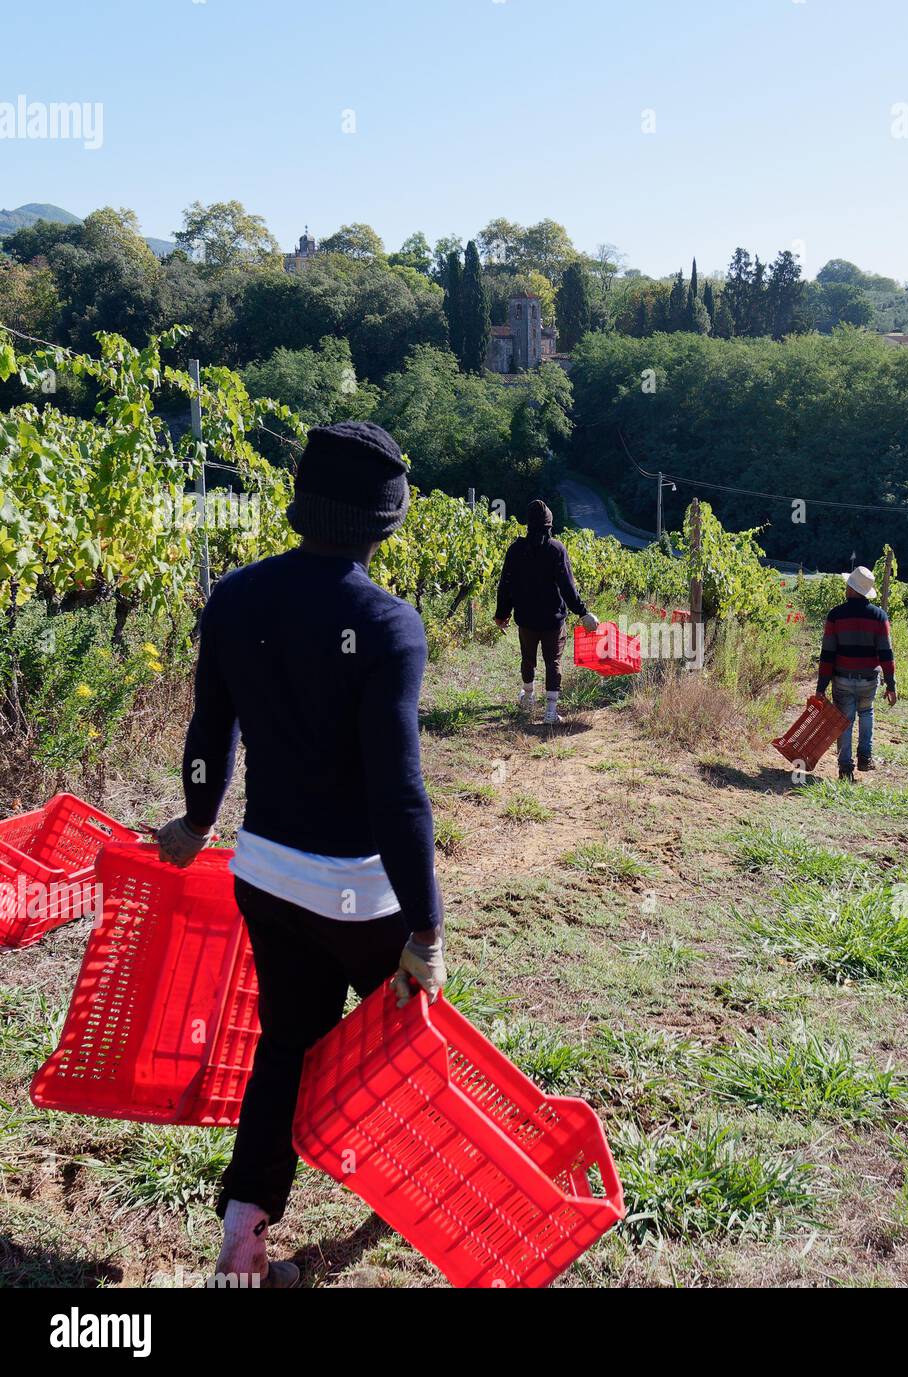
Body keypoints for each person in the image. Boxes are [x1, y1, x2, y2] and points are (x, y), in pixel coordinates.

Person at [154, 421, 446, 1289]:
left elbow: (211, 732)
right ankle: (420, 1196)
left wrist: (196, 819)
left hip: (266, 876)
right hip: (360, 894)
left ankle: (241, 1244)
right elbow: (398, 792)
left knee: (285, 1047)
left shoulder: (237, 597)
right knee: (400, 1048)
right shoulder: (388, 624)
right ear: (383, 522)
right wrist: (426, 927)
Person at [494, 499, 599, 725]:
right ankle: (551, 713)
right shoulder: (556, 549)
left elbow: (506, 584)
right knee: (553, 662)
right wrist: (583, 612)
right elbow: (567, 587)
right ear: (549, 526)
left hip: (526, 618)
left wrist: (502, 614)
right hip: (553, 620)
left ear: (528, 525)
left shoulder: (515, 550)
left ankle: (529, 696)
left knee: (528, 658)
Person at [815, 565, 898, 779]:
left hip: (842, 678)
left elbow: (828, 654)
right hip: (869, 679)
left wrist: (821, 687)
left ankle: (845, 768)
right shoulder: (879, 616)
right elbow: (886, 653)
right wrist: (891, 684)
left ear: (852, 589)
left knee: (844, 720)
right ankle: (865, 757)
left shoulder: (836, 615)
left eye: (848, 586)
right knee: (867, 712)